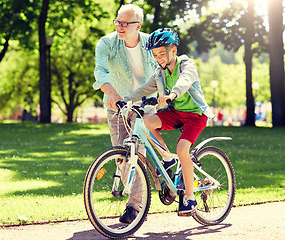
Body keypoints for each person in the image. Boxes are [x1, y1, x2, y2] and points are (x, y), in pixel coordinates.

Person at [124, 28, 214, 216]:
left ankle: (189, 198)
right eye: (155, 55)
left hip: (195, 116)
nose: (159, 58)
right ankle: (167, 157)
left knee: (183, 149)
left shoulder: (187, 65)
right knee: (145, 122)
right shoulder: (160, 72)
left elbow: (185, 81)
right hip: (175, 112)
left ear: (173, 50)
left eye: (162, 53)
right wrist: (126, 100)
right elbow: (145, 89)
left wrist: (172, 94)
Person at [92, 4, 157, 224]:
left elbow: (164, 67)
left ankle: (135, 206)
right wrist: (111, 92)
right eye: (117, 21)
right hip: (117, 106)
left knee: (138, 155)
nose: (119, 26)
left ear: (138, 25)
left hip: (145, 106)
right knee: (122, 156)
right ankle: (148, 188)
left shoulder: (151, 43)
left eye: (125, 23)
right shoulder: (106, 43)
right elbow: (100, 71)